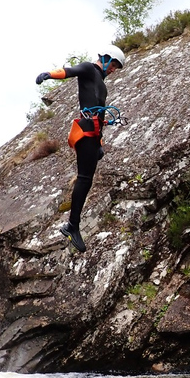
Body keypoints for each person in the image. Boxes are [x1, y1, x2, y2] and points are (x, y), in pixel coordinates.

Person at [35, 45, 126, 253]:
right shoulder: (88, 69)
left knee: (87, 179)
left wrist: (100, 143)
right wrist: (48, 75)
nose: (113, 70)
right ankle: (72, 226)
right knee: (84, 178)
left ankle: (72, 225)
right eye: (113, 65)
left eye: (116, 68)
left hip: (94, 135)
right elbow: (68, 71)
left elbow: (100, 116)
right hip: (85, 131)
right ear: (104, 58)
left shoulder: (102, 84)